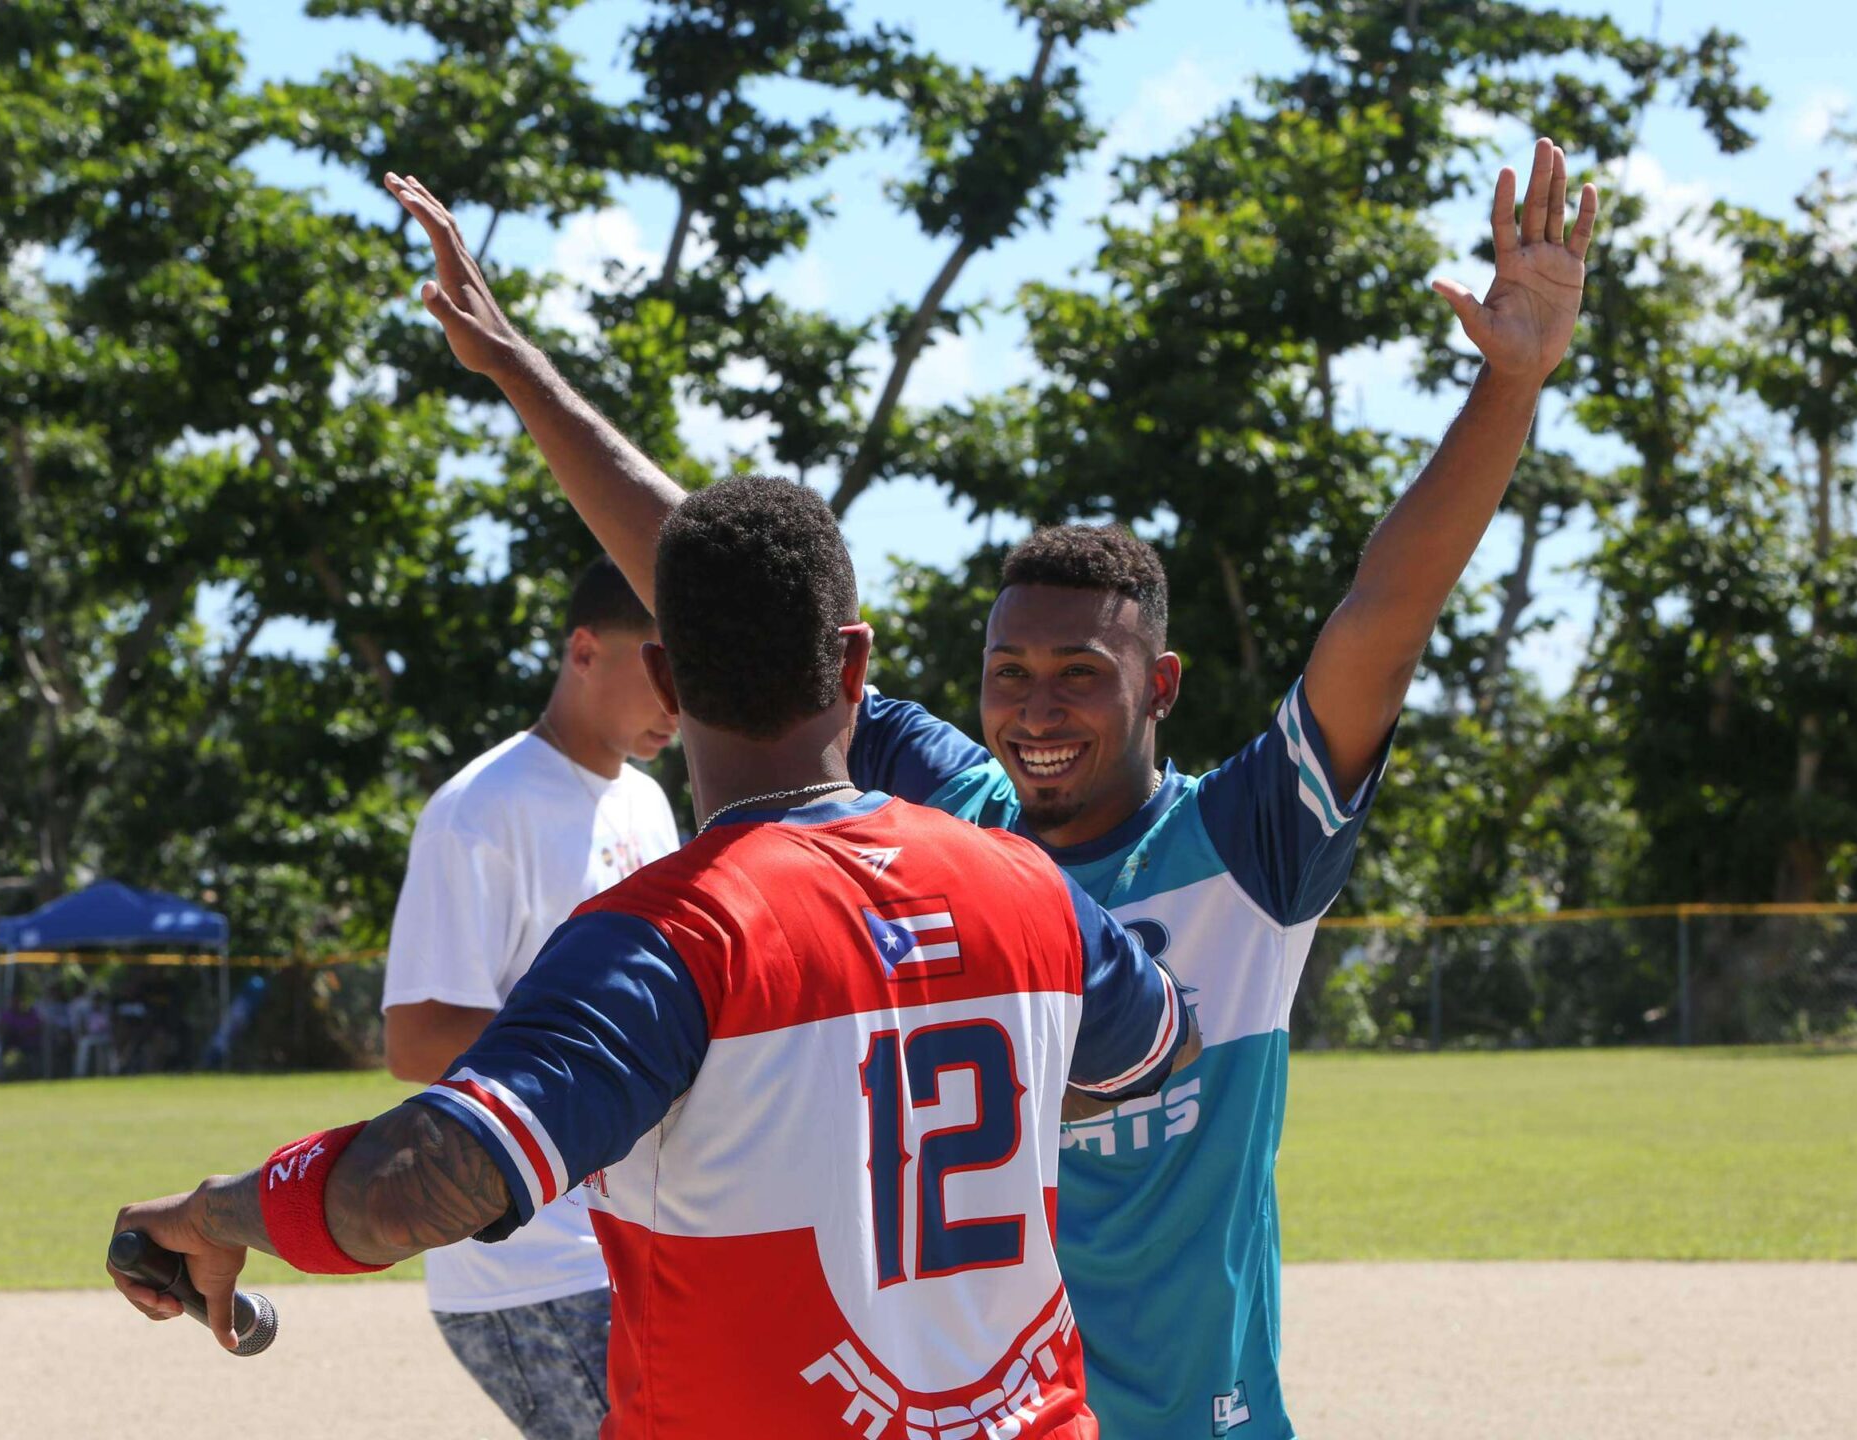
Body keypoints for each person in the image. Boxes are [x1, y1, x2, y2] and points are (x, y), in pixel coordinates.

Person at [385, 137, 1597, 1437]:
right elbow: (719, 581)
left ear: (1162, 687)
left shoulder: (1245, 847)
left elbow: (1382, 611)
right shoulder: (956, 812)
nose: (1035, 706)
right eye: (1008, 670)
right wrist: (521, 372)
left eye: (1081, 673)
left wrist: (1506, 390)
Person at [109, 477, 1198, 1438]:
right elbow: (1154, 1046)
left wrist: (216, 1212)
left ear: (667, 681)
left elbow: (411, 1190)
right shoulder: (1029, 886)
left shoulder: (665, 935)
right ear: (855, 661)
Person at [380, 555, 681, 1440]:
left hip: (634, 1238)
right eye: (660, 663)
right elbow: (419, 1034)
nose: (680, 696)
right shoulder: (482, 808)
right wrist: (619, 1058)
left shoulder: (649, 802)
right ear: (584, 650)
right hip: (530, 1255)